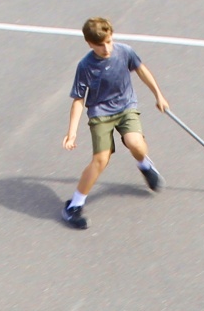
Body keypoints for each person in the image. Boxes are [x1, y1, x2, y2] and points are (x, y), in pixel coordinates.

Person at [59, 16, 165, 231]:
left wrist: (158, 95)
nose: (106, 48)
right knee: (101, 159)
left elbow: (142, 70)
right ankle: (73, 206)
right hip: (100, 113)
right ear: (89, 43)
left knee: (136, 144)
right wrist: (72, 132)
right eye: (99, 45)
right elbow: (78, 100)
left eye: (108, 42)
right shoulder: (85, 66)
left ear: (112, 36)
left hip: (126, 107)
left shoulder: (125, 51)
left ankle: (145, 165)